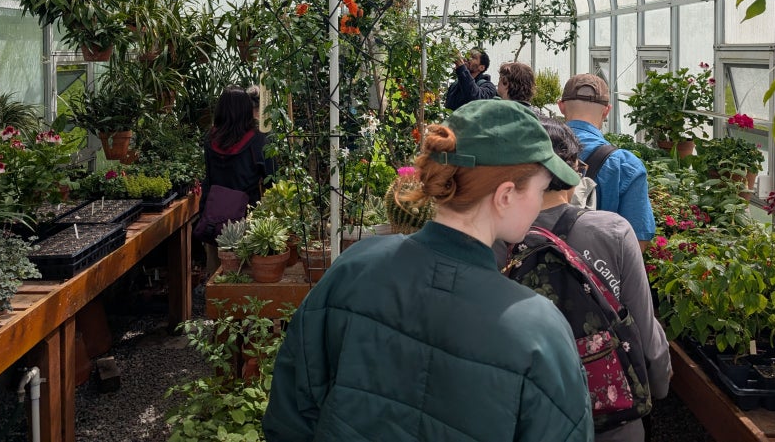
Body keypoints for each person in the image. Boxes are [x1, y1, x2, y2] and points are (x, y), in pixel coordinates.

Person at [263, 101, 593, 442]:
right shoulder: (539, 329)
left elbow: (291, 413)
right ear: (505, 195)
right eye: (541, 190)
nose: (541, 203)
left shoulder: (353, 268)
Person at [510, 117, 671, 442]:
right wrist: (657, 386)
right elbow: (642, 325)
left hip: (528, 415)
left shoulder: (500, 237)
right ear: (573, 171)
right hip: (612, 413)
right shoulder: (612, 230)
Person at [558, 74, 656, 251]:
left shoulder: (537, 150)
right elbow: (637, 240)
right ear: (607, 110)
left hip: (529, 269)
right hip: (595, 271)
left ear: (561, 106)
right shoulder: (624, 165)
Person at [202, 86, 274, 270]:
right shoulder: (257, 141)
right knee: (245, 278)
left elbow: (208, 177)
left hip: (214, 220)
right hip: (246, 220)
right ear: (246, 110)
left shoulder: (210, 140)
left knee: (217, 275)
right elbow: (272, 179)